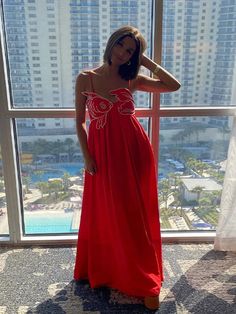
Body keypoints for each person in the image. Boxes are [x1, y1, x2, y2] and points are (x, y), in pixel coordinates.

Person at [74, 25, 180, 310]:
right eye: (121, 45)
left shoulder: (131, 77)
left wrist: (146, 61)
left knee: (134, 213)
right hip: (102, 156)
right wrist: (87, 157)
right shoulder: (86, 79)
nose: (123, 53)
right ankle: (107, 270)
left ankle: (142, 277)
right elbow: (79, 122)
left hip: (134, 152)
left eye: (130, 50)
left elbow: (173, 86)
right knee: (106, 211)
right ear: (112, 43)